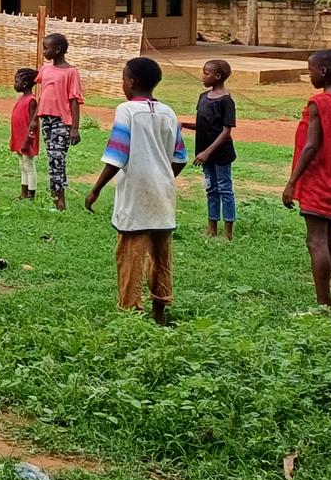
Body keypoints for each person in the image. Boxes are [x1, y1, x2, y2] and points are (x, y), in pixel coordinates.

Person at [85, 56, 186, 325]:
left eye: (123, 78)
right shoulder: (169, 112)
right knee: (161, 256)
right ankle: (160, 311)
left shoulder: (127, 111)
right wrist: (163, 178)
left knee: (130, 254)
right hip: (163, 195)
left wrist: (96, 189)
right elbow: (180, 158)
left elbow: (117, 156)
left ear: (131, 82)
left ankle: (130, 313)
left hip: (135, 195)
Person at [282, 47, 331, 310]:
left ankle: (323, 306)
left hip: (317, 180)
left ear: (323, 71)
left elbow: (311, 146)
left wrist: (292, 182)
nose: (309, 75)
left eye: (310, 70)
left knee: (316, 241)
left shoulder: (318, 103)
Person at [187, 58, 239, 239]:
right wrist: (183, 125)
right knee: (211, 188)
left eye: (206, 73)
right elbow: (204, 125)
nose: (203, 76)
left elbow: (226, 131)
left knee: (225, 188)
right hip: (204, 153)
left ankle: (228, 232)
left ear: (217, 76)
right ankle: (212, 228)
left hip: (220, 153)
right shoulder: (203, 97)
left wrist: (207, 152)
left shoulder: (226, 101)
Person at [35, 32, 84, 210]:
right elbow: (42, 94)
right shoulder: (45, 69)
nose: (43, 52)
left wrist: (75, 128)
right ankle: (57, 198)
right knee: (54, 158)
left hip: (62, 121)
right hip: (46, 120)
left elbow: (74, 101)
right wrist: (34, 119)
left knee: (57, 159)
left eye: (46, 48)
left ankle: (59, 201)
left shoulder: (71, 72)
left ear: (58, 50)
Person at [10, 66, 40, 200]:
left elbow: (34, 123)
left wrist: (28, 140)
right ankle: (23, 193)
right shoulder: (21, 99)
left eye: (16, 81)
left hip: (27, 139)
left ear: (25, 83)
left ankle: (31, 195)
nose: (14, 84)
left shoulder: (31, 100)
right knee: (22, 166)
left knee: (29, 165)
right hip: (19, 138)